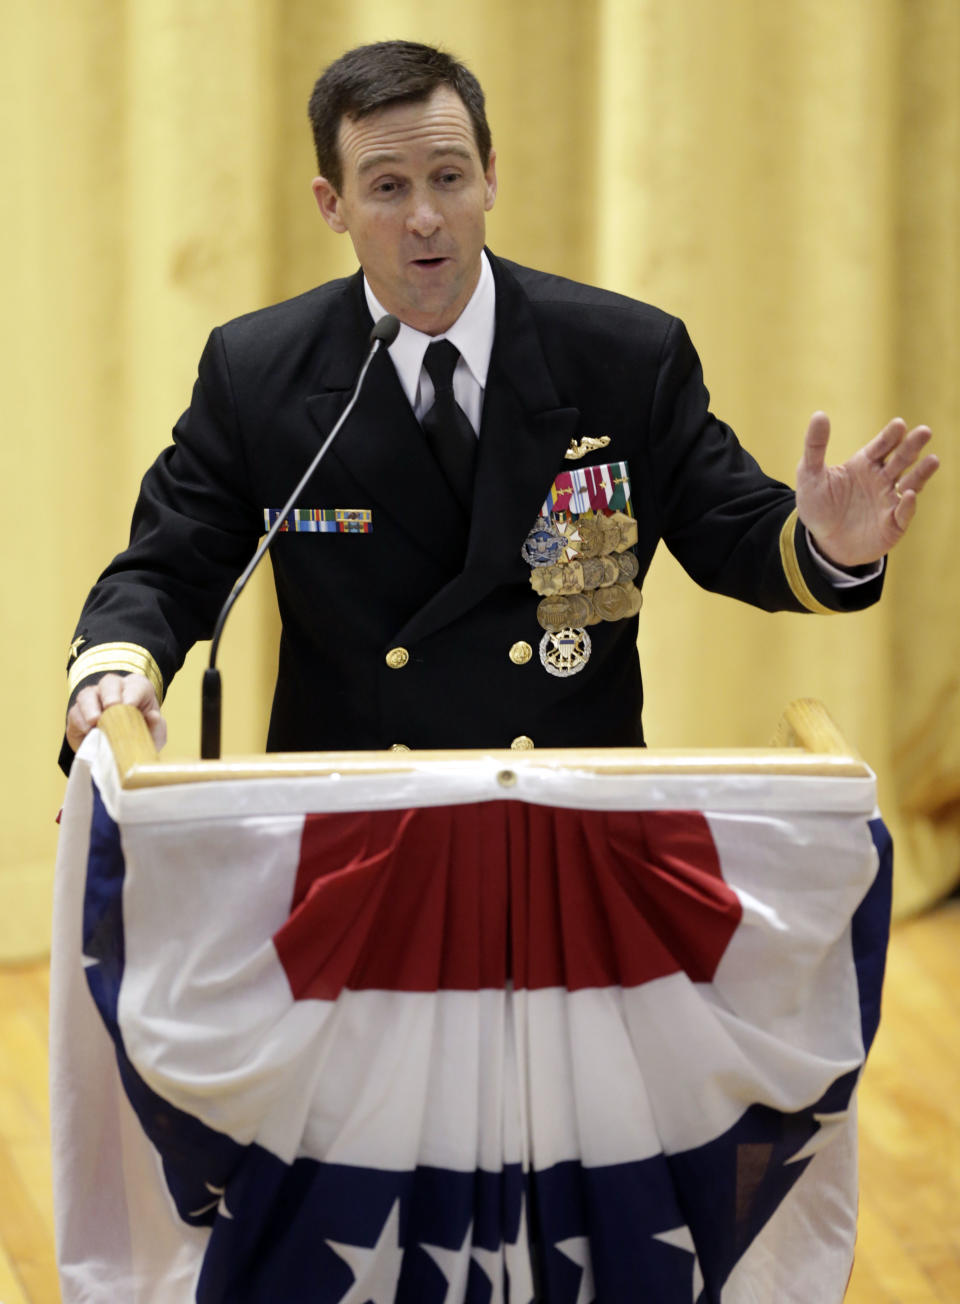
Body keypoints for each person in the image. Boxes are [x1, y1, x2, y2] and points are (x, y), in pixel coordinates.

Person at [61, 40, 938, 769]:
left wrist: (831, 544)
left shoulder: (625, 355)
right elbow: (170, 569)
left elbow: (735, 534)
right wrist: (113, 670)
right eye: (388, 187)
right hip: (354, 818)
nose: (427, 219)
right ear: (333, 205)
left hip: (568, 807)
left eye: (448, 177)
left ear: (490, 177)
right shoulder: (260, 372)